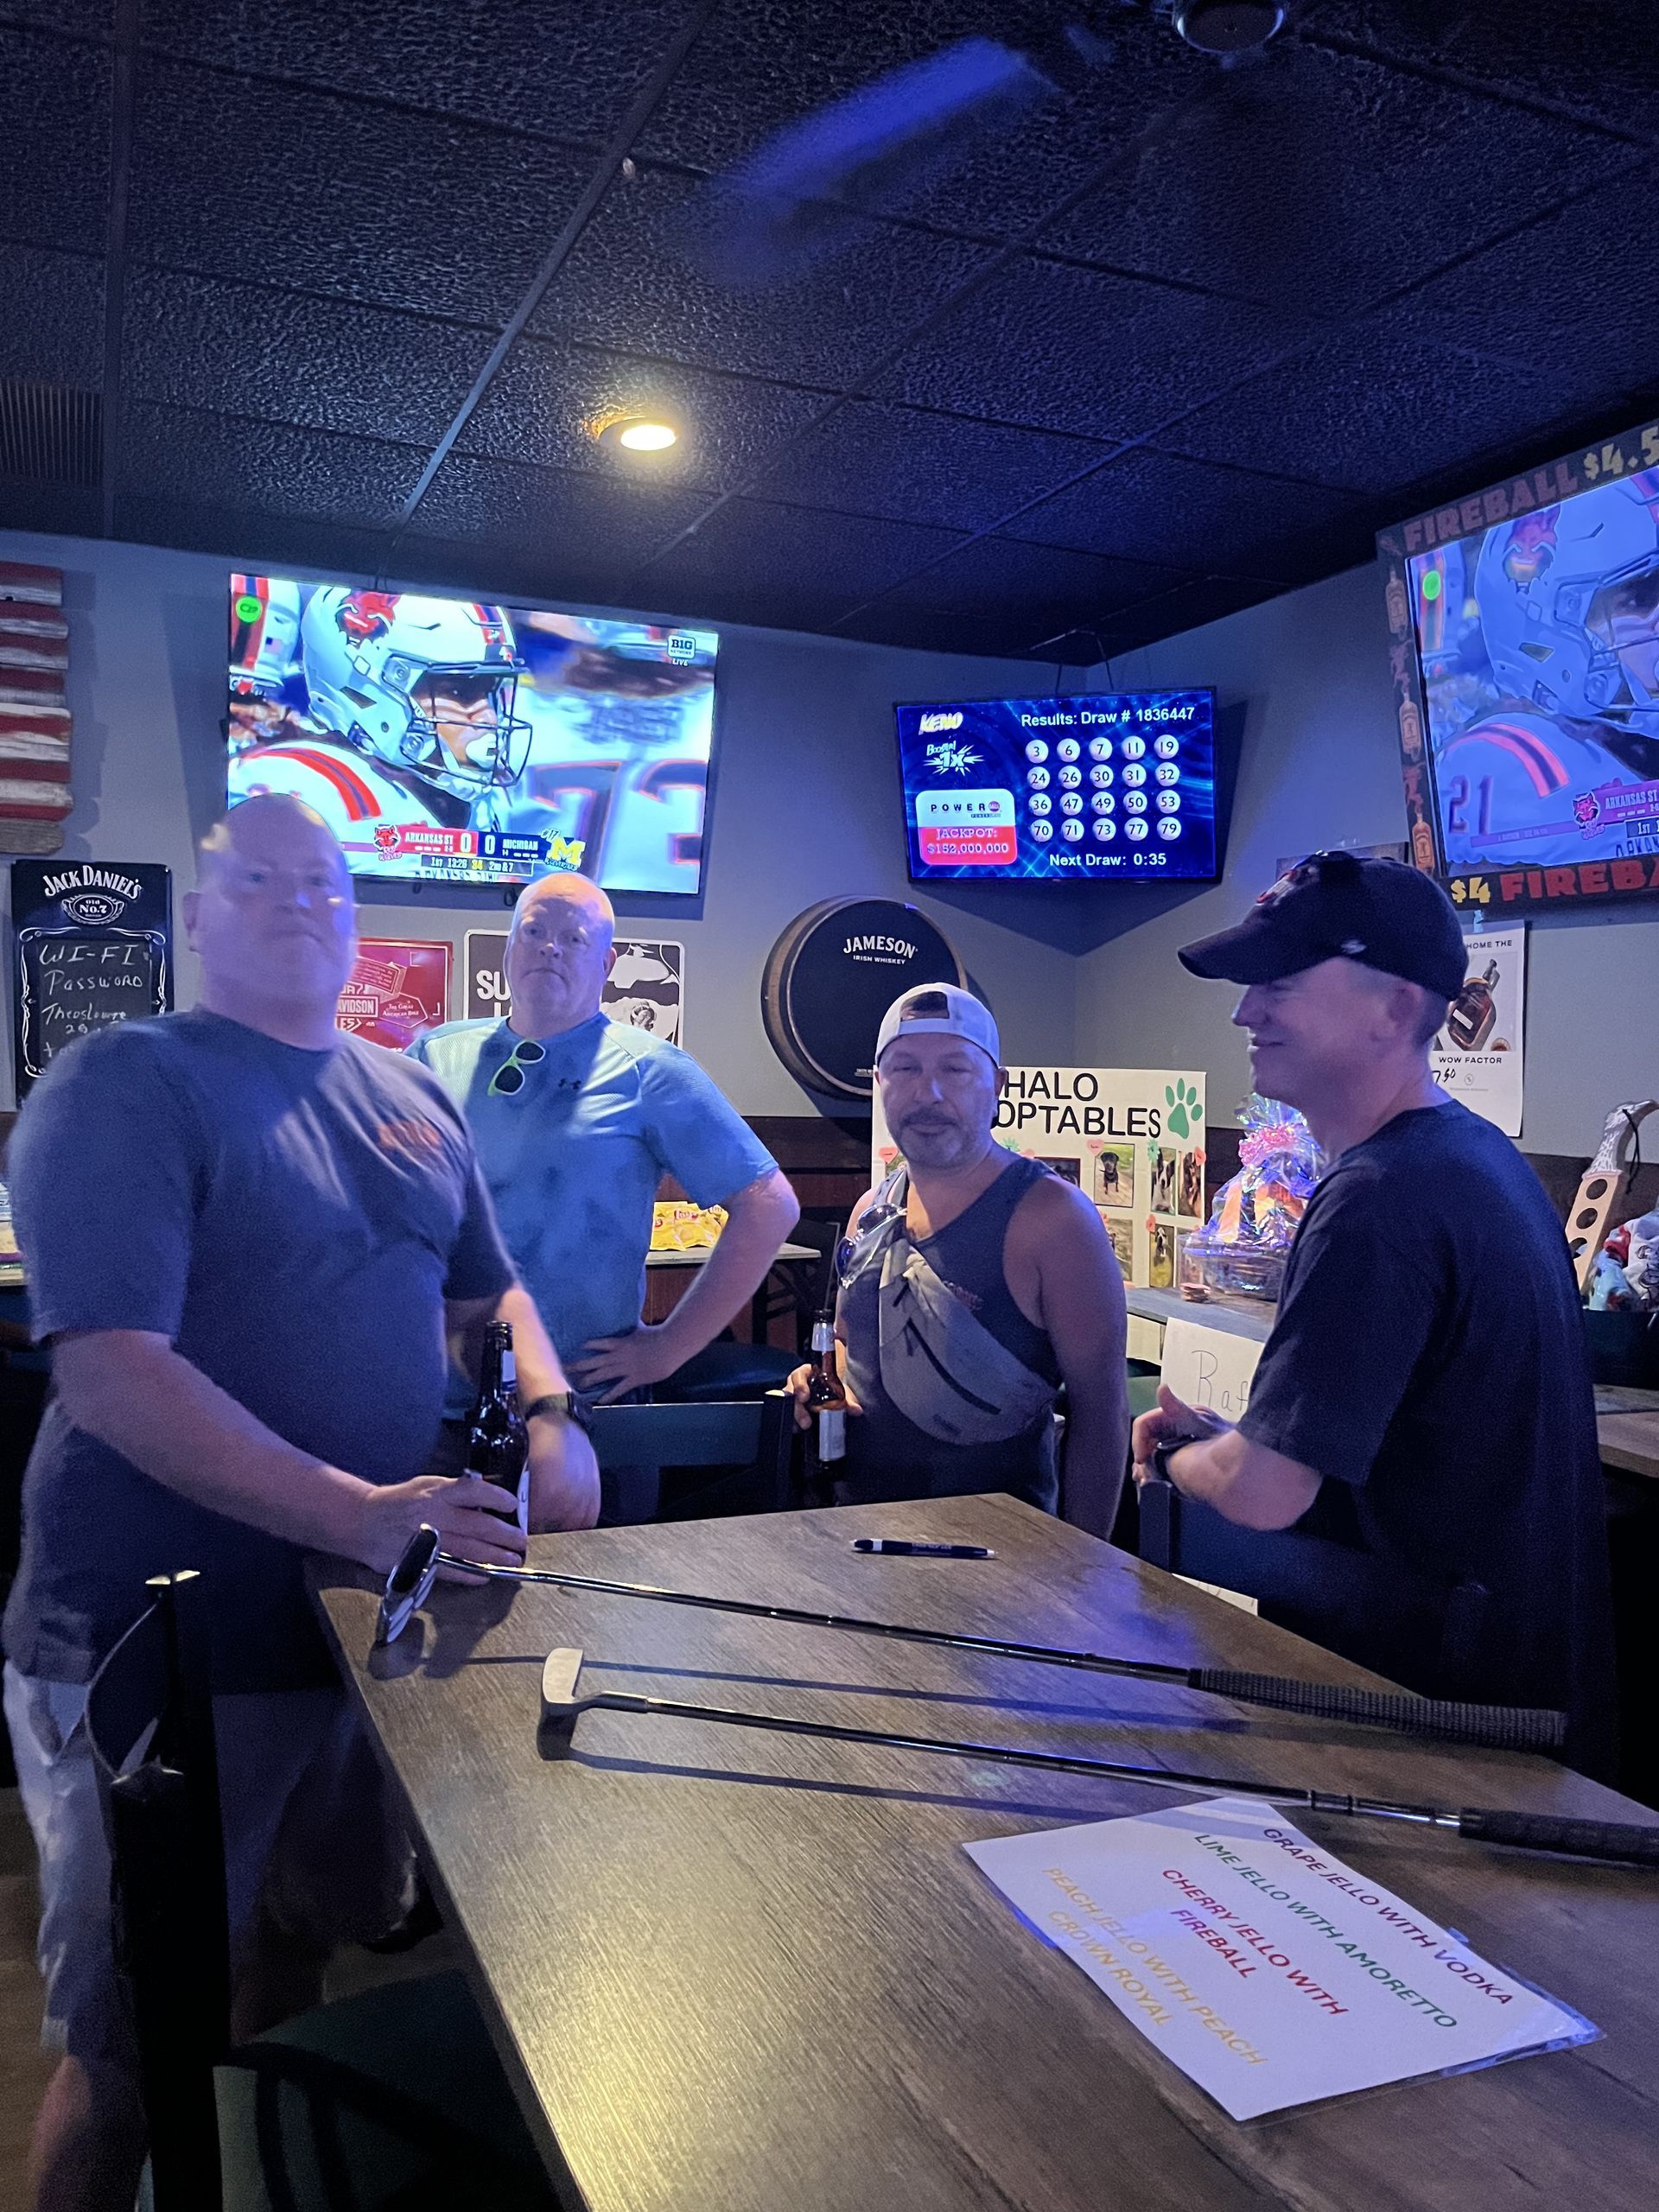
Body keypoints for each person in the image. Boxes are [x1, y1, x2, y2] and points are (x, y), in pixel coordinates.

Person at [3, 795, 599, 2212]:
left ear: (357, 917)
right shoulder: (123, 1080)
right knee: (132, 2036)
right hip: (157, 1644)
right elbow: (111, 1374)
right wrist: (363, 1515)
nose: (299, 903)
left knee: (296, 1952)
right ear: (202, 919)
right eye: (259, 881)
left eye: (324, 883)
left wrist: (550, 1409)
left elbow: (490, 1292)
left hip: (347, 1632)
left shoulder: (410, 1096)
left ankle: (248, 2185)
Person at [1132, 850, 1615, 1774]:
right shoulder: (1478, 1160)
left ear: (1395, 1008)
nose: (1244, 1012)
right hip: (1526, 1697)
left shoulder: (1377, 1199)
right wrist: (1238, 1441)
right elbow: (1380, 1450)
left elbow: (1264, 1494)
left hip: (1438, 1722)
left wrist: (1177, 1460)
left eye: (1278, 983)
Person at [410, 872, 800, 1427]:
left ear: (607, 964)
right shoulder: (436, 1054)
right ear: (509, 947)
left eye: (574, 938)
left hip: (586, 1407)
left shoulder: (650, 1069)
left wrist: (667, 1348)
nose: (550, 947)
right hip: (442, 1400)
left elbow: (770, 1205)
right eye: (534, 931)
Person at [789, 984, 1128, 1534]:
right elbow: (853, 1346)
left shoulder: (1055, 1220)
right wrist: (819, 1381)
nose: (928, 1092)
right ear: (879, 1084)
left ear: (997, 1087)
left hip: (1002, 1553)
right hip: (857, 1536)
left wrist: (1086, 1566)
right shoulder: (870, 1211)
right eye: (904, 1068)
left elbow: (1102, 1413)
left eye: (955, 1069)